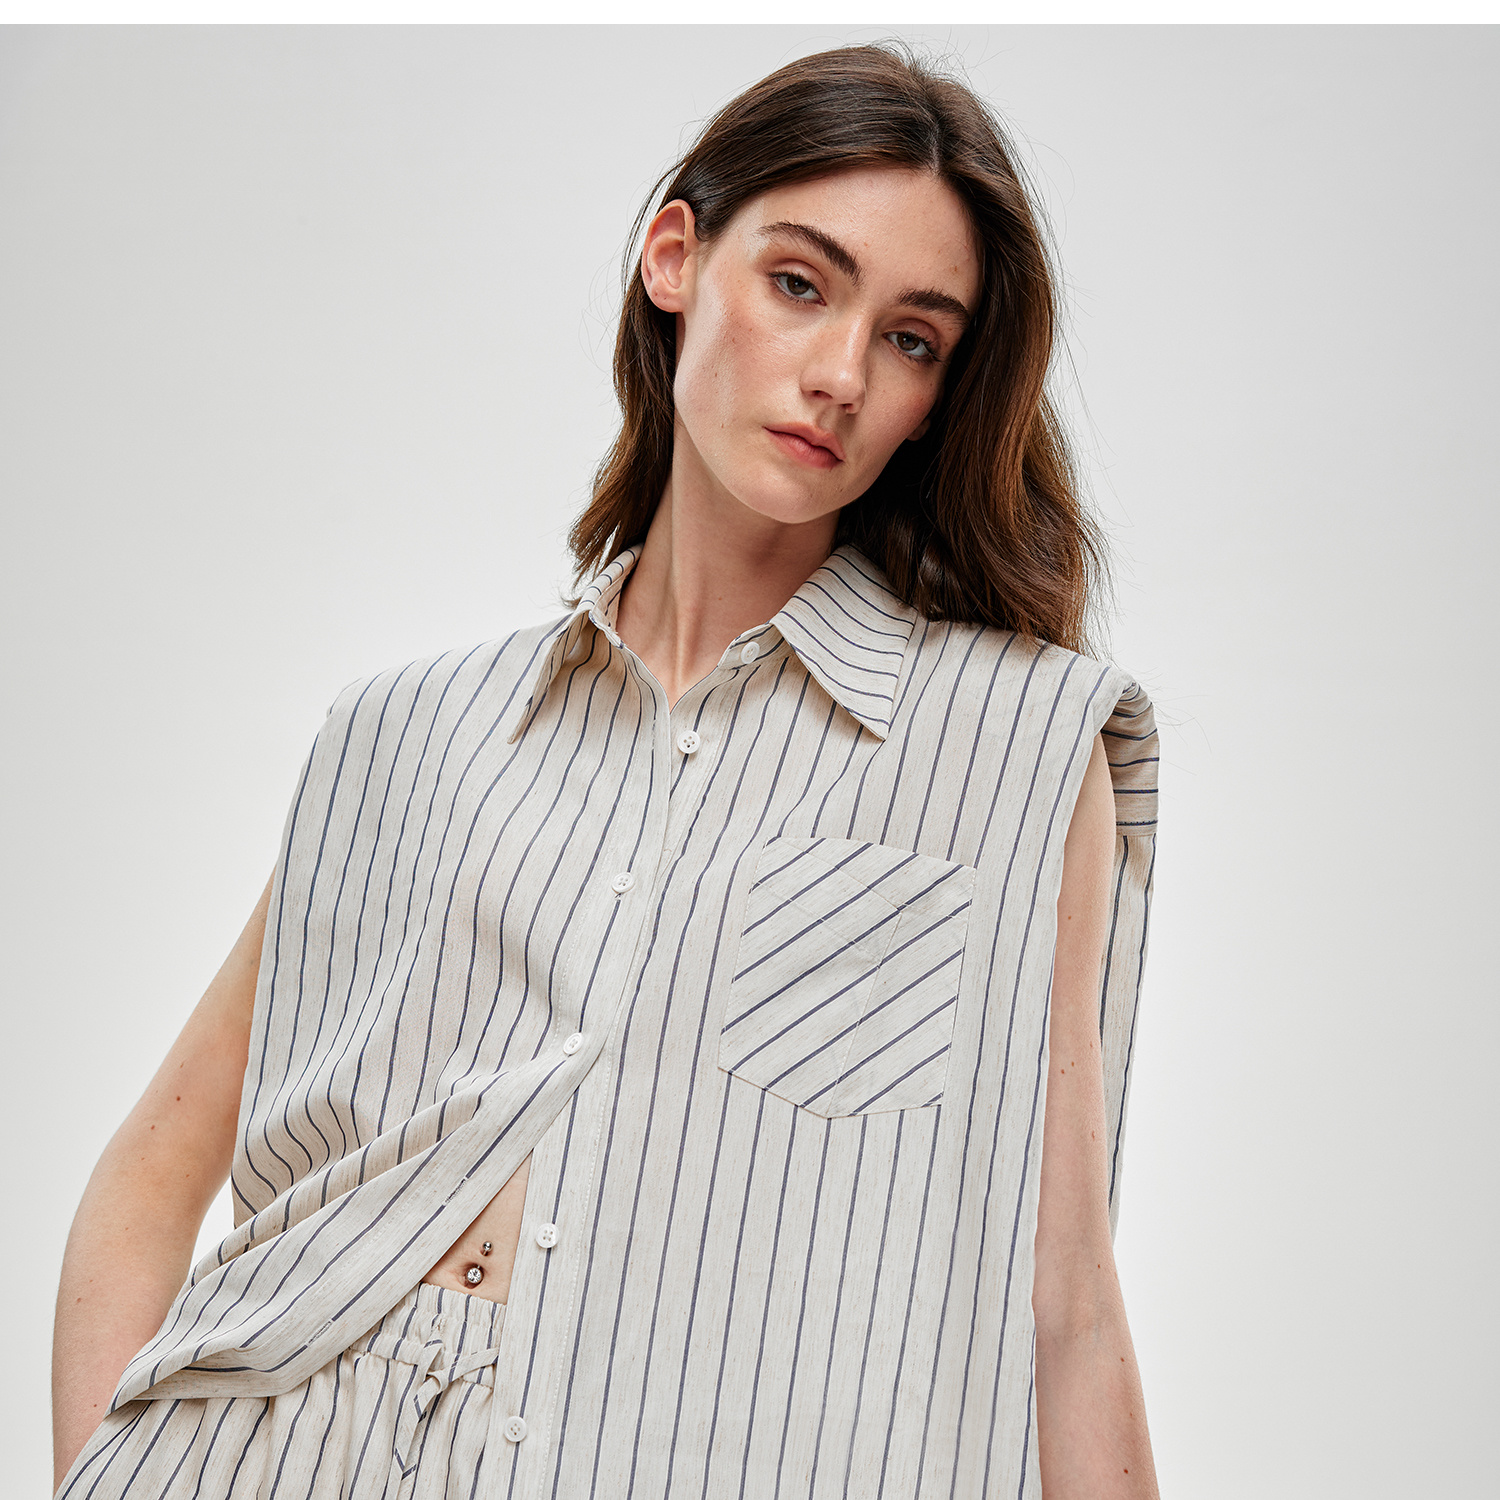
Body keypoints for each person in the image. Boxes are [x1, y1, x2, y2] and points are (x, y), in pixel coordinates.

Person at [52, 42, 1162, 1500]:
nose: (840, 374)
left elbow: (1064, 1306)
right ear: (675, 257)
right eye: (800, 282)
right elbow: (152, 1175)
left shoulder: (1017, 748)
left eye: (911, 340)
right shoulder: (407, 733)